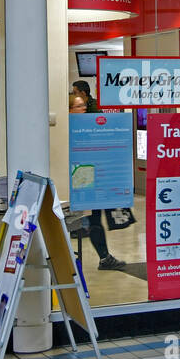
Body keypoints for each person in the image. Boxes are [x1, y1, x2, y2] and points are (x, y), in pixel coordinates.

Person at [69, 90, 124, 271]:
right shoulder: (70, 129)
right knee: (88, 219)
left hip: (91, 178)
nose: (83, 108)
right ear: (70, 110)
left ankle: (104, 257)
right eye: (78, 106)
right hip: (80, 179)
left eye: (83, 105)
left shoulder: (88, 126)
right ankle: (102, 257)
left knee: (95, 219)